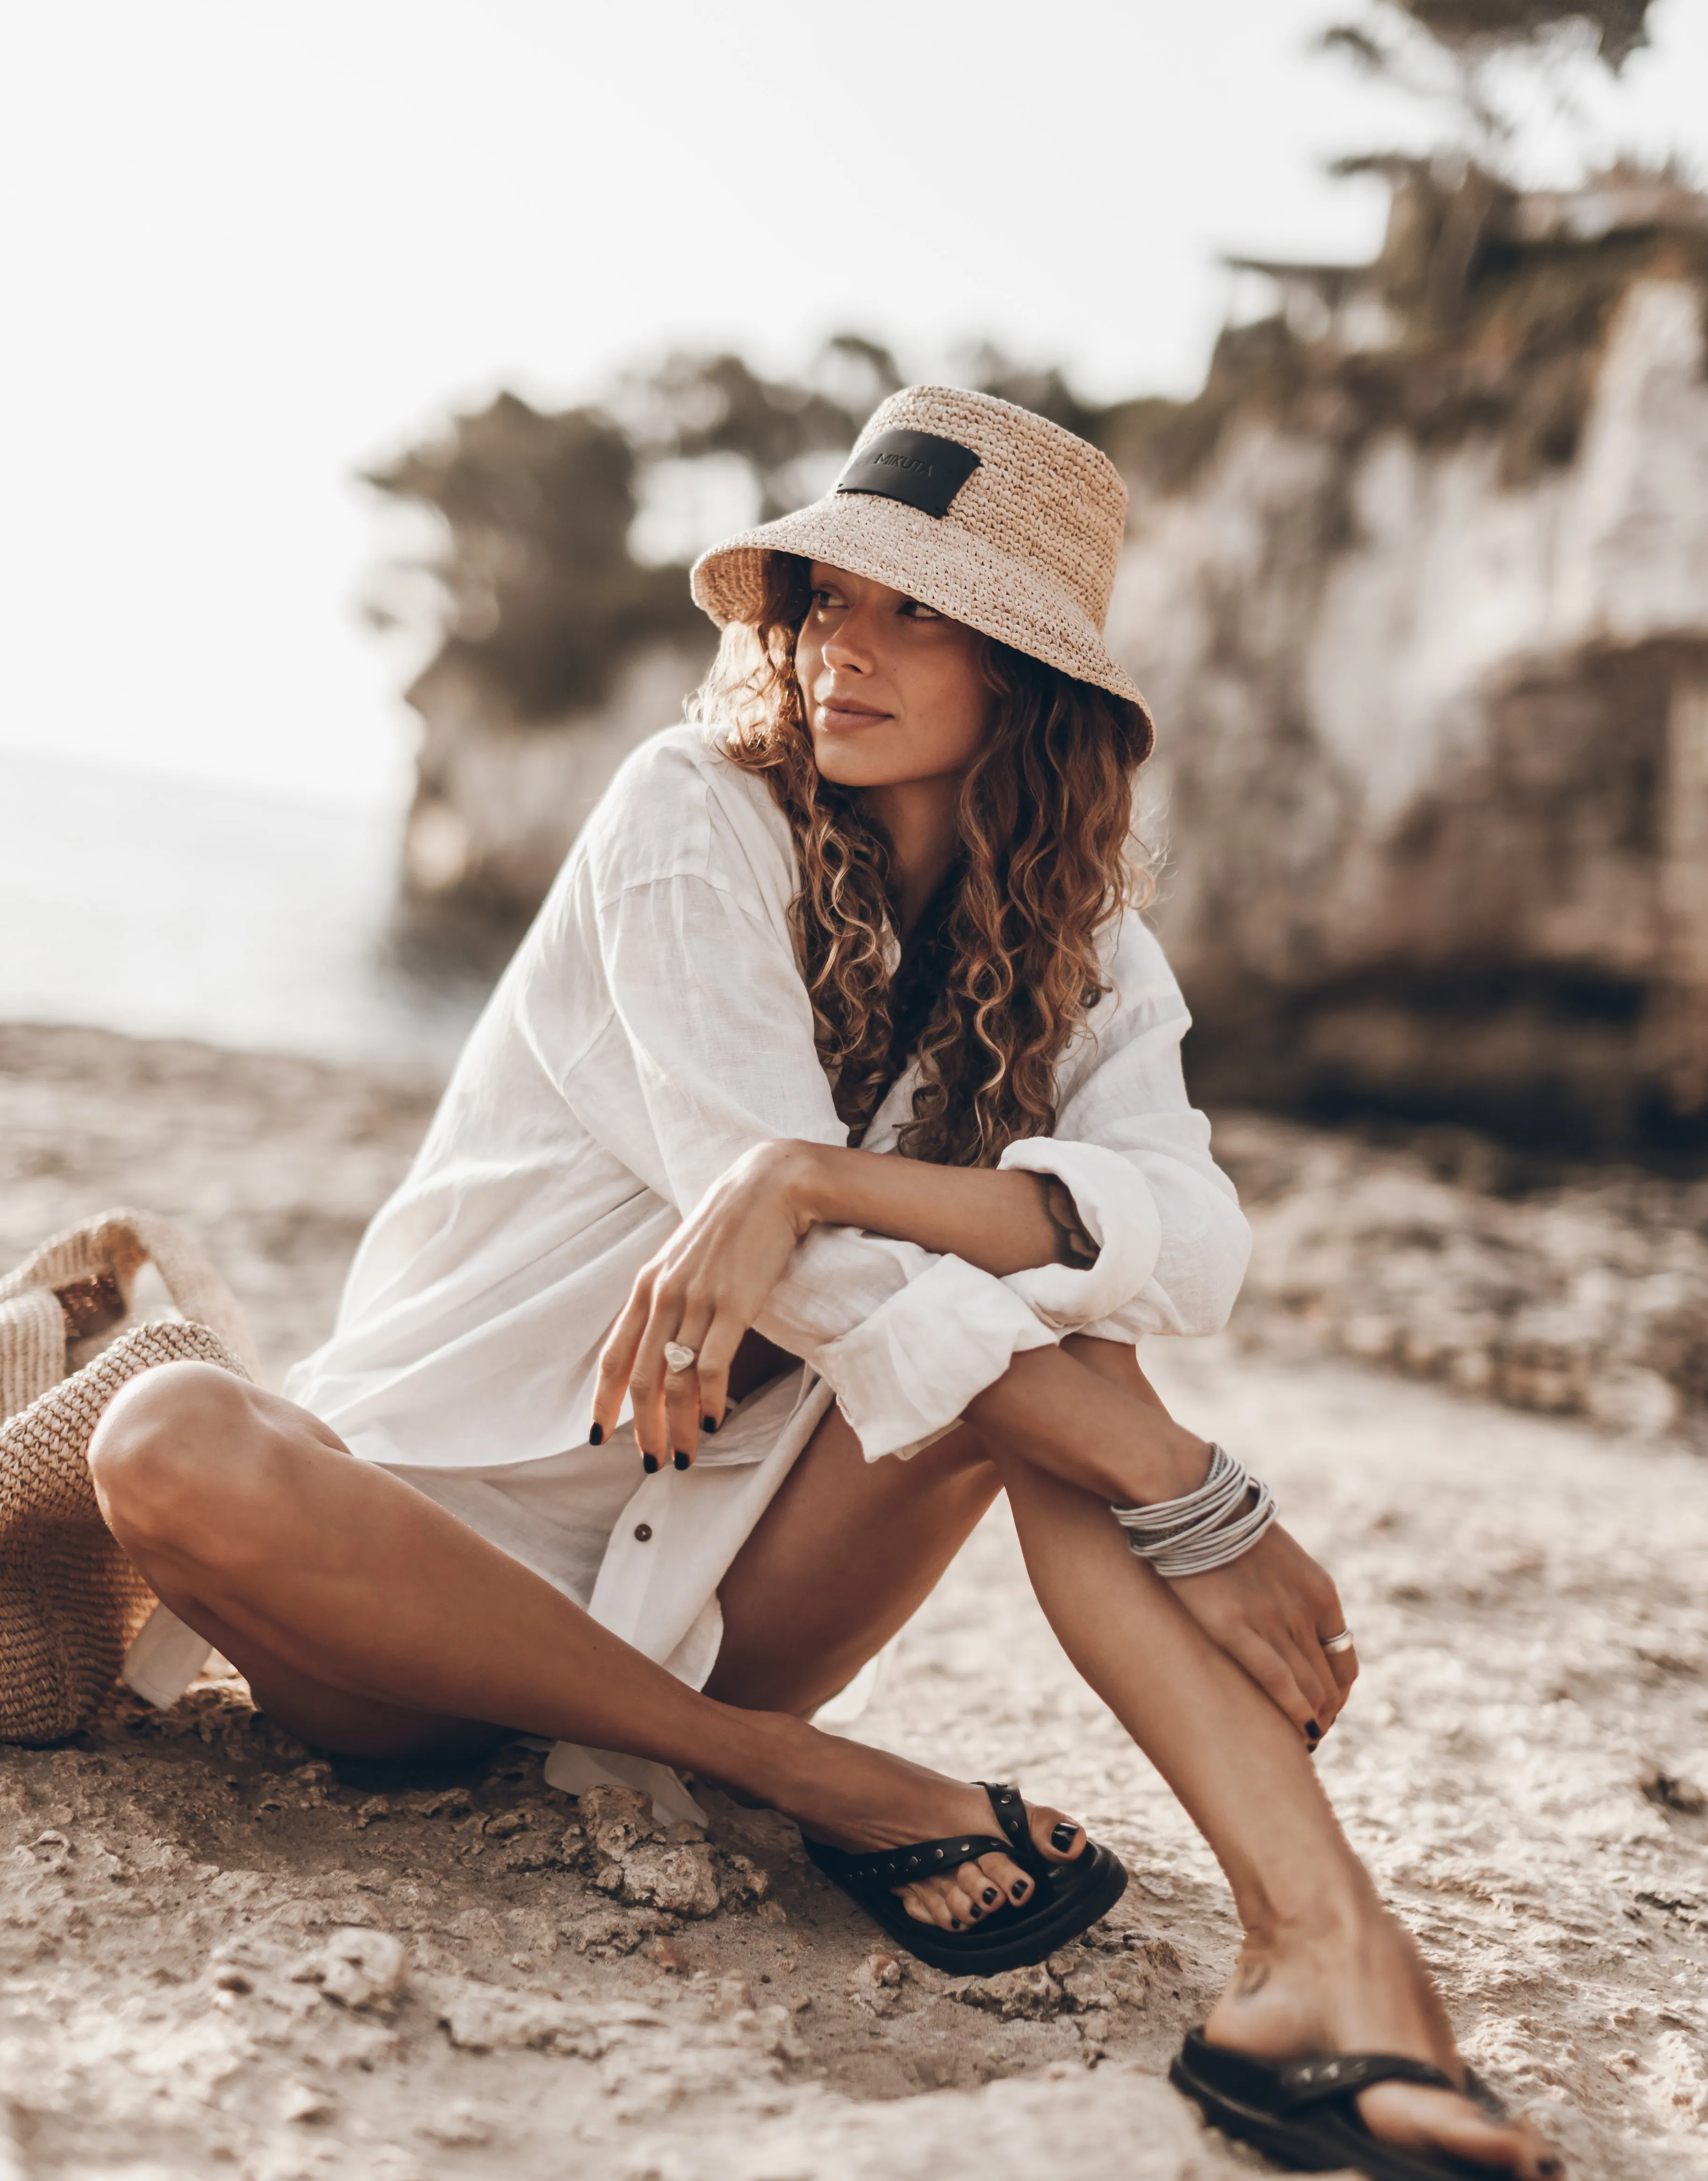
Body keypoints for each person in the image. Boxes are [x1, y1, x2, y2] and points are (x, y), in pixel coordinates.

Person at [88, 388, 1558, 2179]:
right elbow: (833, 1285)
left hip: (720, 1582)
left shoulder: (1084, 941)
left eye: (913, 610)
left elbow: (1188, 1235)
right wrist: (1185, 1487)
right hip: (409, 1590)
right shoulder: (689, 813)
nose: (843, 651)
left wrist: (812, 1177)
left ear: (1029, 673)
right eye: (824, 600)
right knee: (163, 1432)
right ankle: (773, 1771)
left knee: (1072, 1340)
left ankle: (1326, 1958)